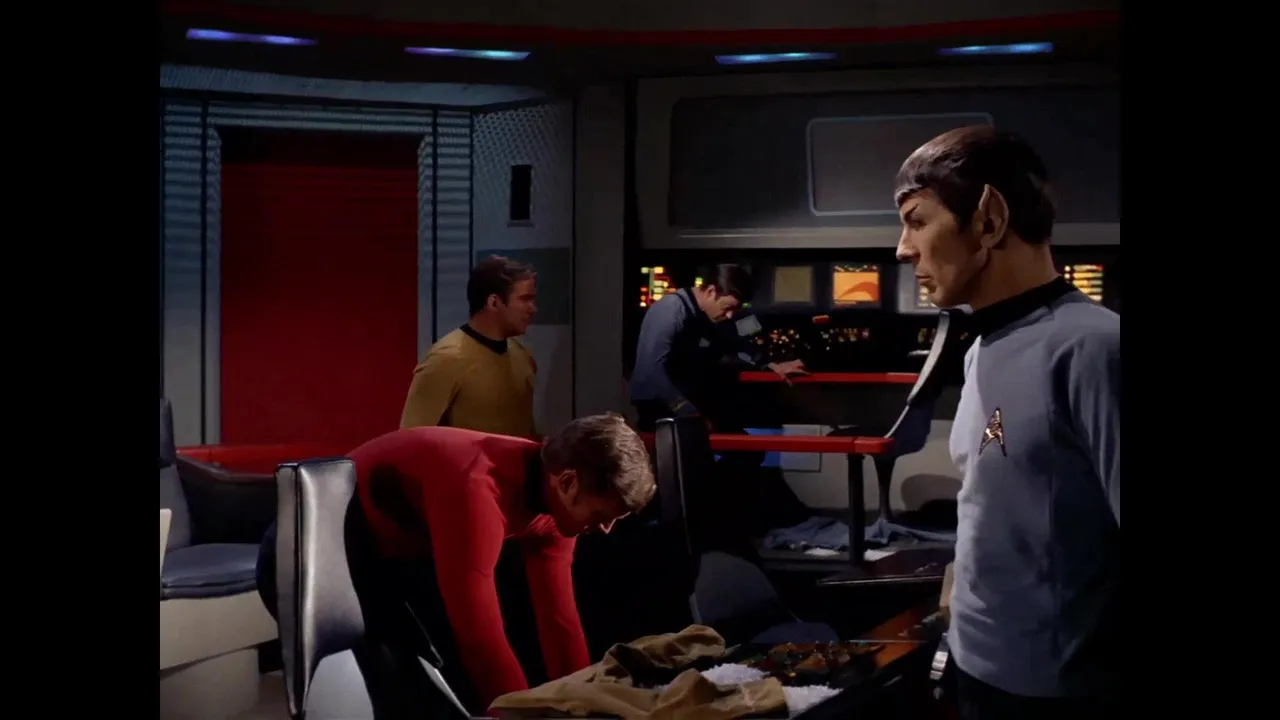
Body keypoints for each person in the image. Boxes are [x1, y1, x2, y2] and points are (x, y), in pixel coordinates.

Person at [894, 126, 1119, 718]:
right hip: (973, 667)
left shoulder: (1095, 349)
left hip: (1055, 691)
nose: (903, 248)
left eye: (917, 221)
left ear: (989, 219)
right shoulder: (980, 349)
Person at [256, 413, 656, 712]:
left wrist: (587, 702)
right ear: (567, 482)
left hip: (378, 561)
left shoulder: (553, 501)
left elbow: (559, 621)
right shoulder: (476, 487)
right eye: (601, 515)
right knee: (403, 694)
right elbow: (480, 636)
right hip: (307, 559)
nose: (605, 530)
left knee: (436, 689)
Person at [629, 264, 806, 431]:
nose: (729, 315)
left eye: (735, 310)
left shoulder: (711, 317)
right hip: (662, 409)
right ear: (711, 292)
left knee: (744, 444)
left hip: (690, 406)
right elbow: (652, 370)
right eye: (728, 308)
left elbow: (737, 343)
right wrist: (685, 410)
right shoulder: (671, 310)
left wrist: (772, 364)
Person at [400, 255, 539, 438]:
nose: (533, 309)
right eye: (525, 299)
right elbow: (412, 439)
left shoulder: (522, 357)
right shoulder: (446, 359)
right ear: (494, 302)